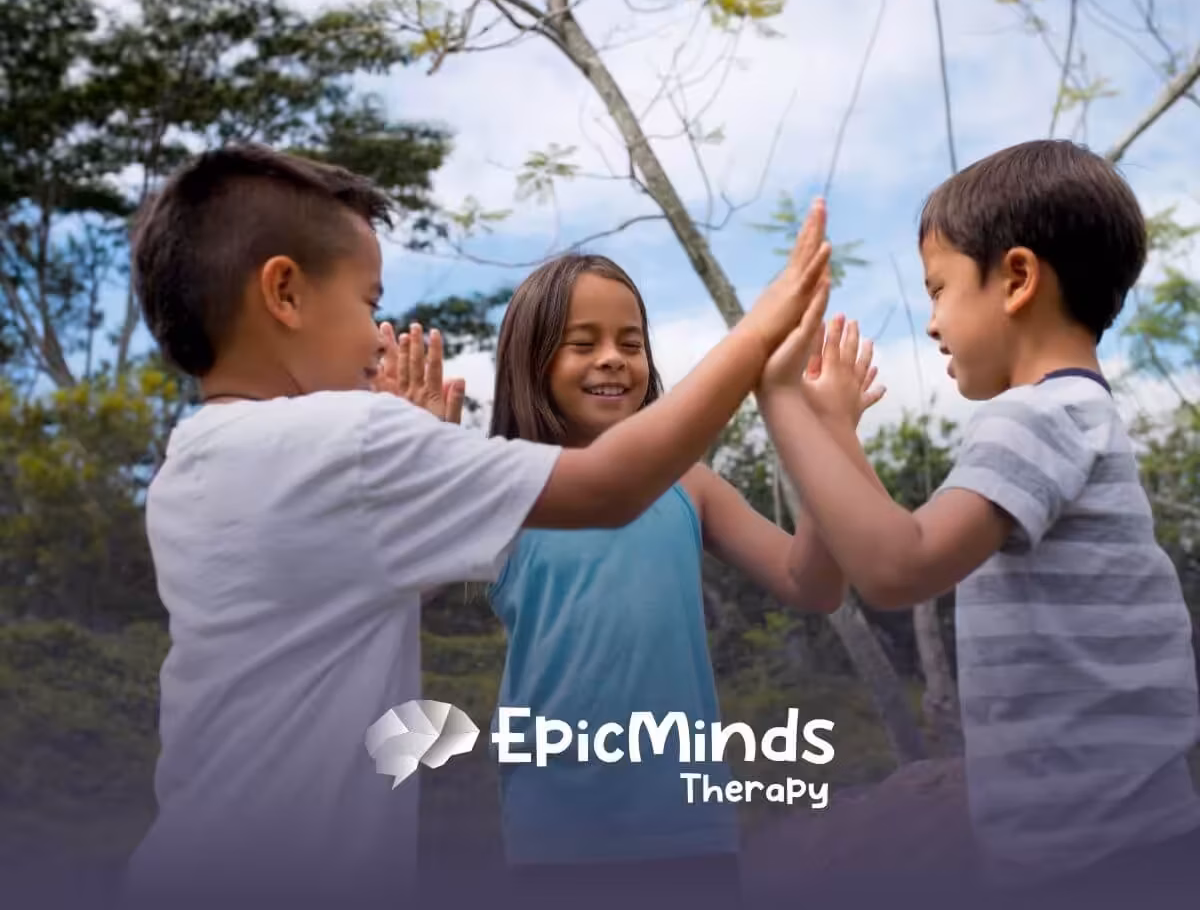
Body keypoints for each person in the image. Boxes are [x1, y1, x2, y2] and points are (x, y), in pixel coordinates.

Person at [118, 143, 834, 908]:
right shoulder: (349, 443)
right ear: (285, 293)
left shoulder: (190, 467)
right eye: (368, 303)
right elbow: (610, 486)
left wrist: (406, 462)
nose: (376, 337)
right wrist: (759, 334)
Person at [757, 140, 1200, 904]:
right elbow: (912, 536)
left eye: (939, 290)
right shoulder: (1075, 414)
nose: (932, 323)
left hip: (1097, 862)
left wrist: (779, 396)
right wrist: (836, 434)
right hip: (1126, 836)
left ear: (1018, 279)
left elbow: (898, 568)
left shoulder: (1035, 416)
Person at [481, 249, 886, 905]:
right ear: (530, 363)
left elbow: (812, 583)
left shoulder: (689, 486)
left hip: (689, 830)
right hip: (555, 837)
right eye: (582, 344)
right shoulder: (501, 488)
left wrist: (831, 436)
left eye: (630, 342)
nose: (613, 358)